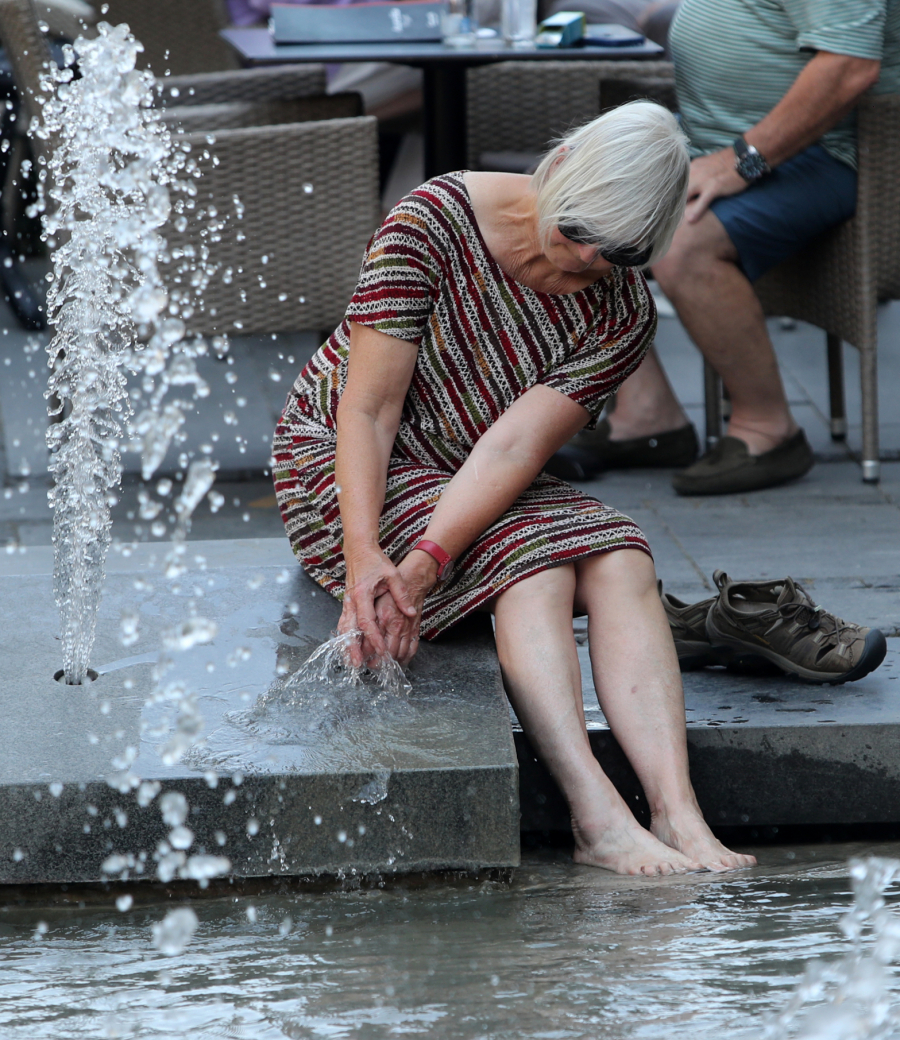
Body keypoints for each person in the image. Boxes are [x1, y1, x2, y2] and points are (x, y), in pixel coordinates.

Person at [273, 104, 756, 877]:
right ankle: (595, 813)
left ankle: (678, 812)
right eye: (571, 236)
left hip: (471, 472)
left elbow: (514, 446)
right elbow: (368, 410)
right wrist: (369, 555)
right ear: (559, 162)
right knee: (534, 563)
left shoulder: (622, 312)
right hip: (342, 463)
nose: (574, 268)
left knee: (623, 556)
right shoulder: (431, 223)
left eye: (607, 260)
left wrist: (429, 559)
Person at [553, 0, 900, 496]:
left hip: (827, 152)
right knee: (567, 208)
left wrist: (741, 161)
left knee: (682, 238)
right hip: (710, 139)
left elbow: (849, 65)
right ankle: (647, 415)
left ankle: (769, 429)